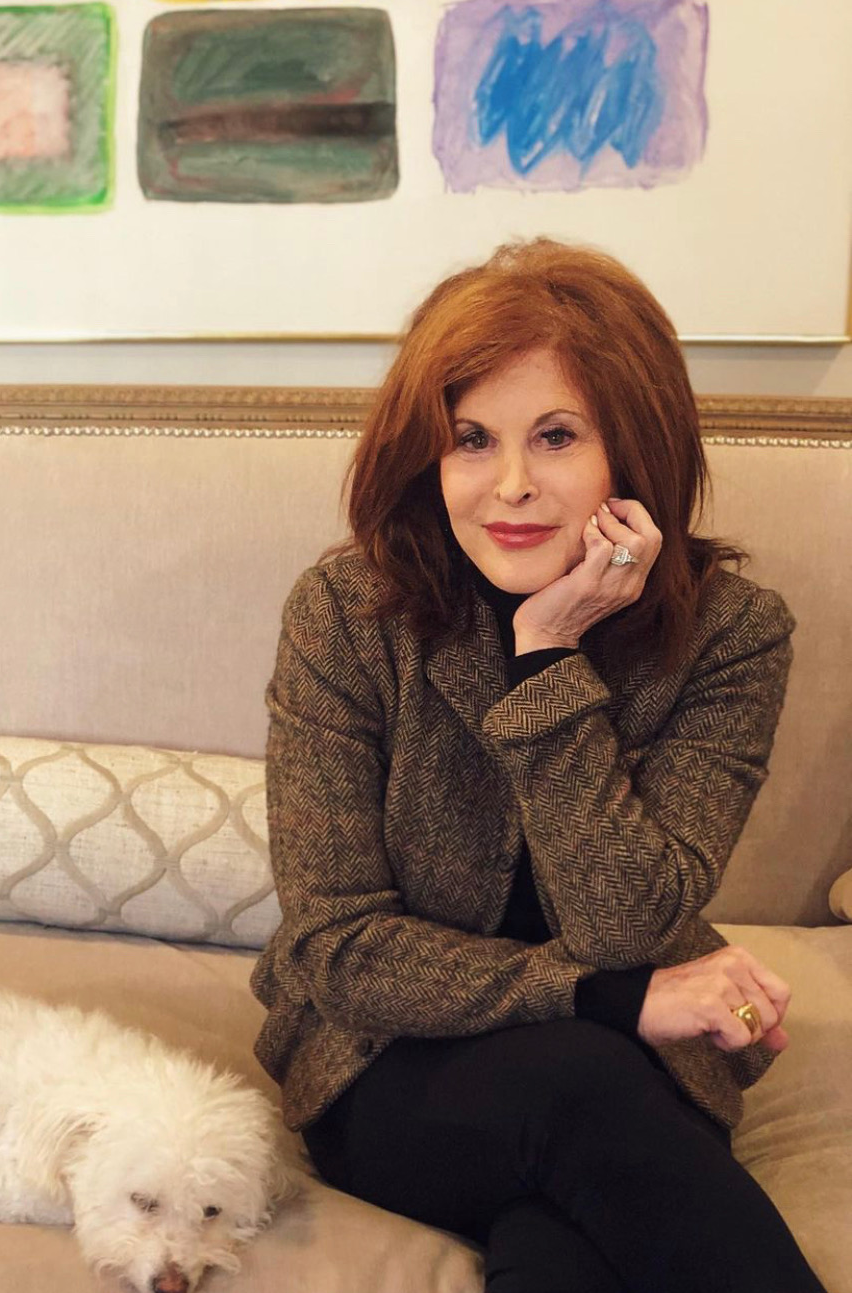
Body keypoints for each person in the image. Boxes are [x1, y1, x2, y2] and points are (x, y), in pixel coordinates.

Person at [250, 238, 827, 1292]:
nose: (510, 486)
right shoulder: (346, 617)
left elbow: (631, 922)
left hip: (624, 1078)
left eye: (556, 436)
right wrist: (612, 1002)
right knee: (586, 1085)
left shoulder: (732, 635)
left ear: (632, 453)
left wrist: (549, 654)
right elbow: (339, 950)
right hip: (389, 1069)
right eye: (472, 439)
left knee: (560, 1257)